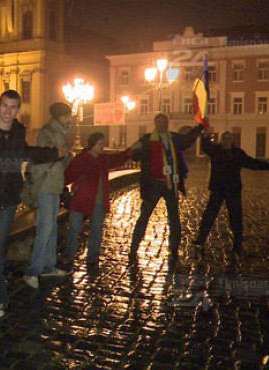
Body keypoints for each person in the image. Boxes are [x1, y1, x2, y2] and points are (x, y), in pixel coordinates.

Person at [0, 90, 65, 325]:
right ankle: (1, 297)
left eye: (13, 107)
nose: (8, 112)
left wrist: (53, 153)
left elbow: (27, 153)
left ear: (18, 109)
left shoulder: (18, 132)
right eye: (5, 106)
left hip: (7, 199)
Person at [129, 113, 204, 260]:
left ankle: (174, 246)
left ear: (167, 123)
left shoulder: (174, 138)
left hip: (171, 183)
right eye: (159, 122)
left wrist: (199, 128)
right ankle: (134, 246)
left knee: (174, 217)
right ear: (155, 124)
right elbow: (135, 155)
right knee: (144, 216)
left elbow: (187, 140)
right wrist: (134, 149)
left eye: (164, 122)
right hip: (153, 184)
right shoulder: (147, 139)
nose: (162, 125)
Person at [194, 131, 269, 250]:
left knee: (235, 216)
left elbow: (251, 163)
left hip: (233, 188)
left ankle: (237, 242)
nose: (226, 141)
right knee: (210, 215)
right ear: (221, 140)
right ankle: (201, 239)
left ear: (232, 140)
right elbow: (205, 147)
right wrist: (204, 135)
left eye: (228, 138)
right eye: (224, 138)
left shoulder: (237, 153)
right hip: (218, 188)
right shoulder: (216, 150)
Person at [23, 102, 72, 289]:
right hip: (45, 186)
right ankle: (32, 271)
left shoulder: (59, 132)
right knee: (45, 228)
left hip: (54, 185)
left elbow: (59, 159)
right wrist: (60, 154)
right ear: (60, 116)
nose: (70, 119)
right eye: (68, 115)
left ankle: (48, 266)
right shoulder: (48, 131)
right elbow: (42, 157)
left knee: (51, 227)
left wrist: (66, 157)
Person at [64, 133, 133, 265]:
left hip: (99, 201)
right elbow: (68, 175)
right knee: (74, 229)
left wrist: (130, 151)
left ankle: (93, 257)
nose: (103, 146)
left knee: (96, 230)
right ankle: (70, 256)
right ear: (93, 144)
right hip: (81, 200)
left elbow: (117, 159)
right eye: (100, 144)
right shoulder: (81, 159)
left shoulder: (103, 159)